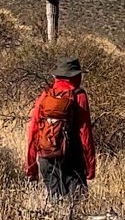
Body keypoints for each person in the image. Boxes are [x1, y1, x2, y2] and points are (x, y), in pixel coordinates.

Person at [25, 57, 96, 200]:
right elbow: (85, 132)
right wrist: (90, 165)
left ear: (56, 76)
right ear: (76, 76)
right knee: (76, 203)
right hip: (72, 157)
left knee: (54, 203)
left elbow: (32, 131)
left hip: (46, 155)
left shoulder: (45, 95)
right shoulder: (79, 95)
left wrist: (31, 166)